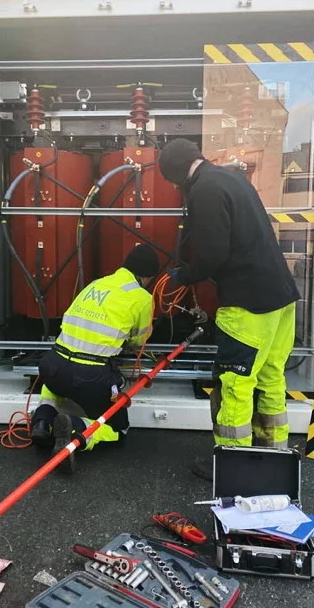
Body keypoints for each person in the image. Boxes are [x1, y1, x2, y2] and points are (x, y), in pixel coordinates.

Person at [157, 139, 300, 480]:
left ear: (177, 175)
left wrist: (184, 275)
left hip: (247, 302)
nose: (176, 188)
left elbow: (213, 256)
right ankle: (273, 454)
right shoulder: (232, 178)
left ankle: (232, 463)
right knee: (270, 377)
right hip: (280, 297)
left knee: (235, 383)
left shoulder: (203, 191)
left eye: (173, 182)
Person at [30, 245, 160, 474]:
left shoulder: (95, 284)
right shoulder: (142, 297)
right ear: (147, 276)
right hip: (89, 377)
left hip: (53, 364)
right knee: (118, 429)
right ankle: (77, 428)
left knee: (53, 387)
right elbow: (139, 342)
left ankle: (42, 422)